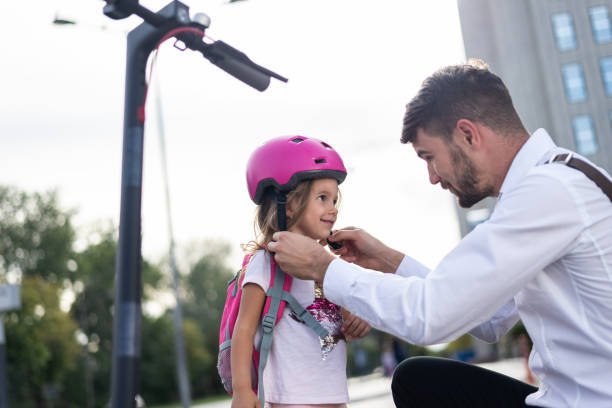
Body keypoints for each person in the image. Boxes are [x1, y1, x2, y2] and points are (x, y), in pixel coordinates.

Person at [267, 60, 612, 407]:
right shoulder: (550, 185)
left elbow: (431, 318)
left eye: (430, 157)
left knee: (418, 382)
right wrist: (387, 259)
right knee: (420, 379)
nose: (433, 177)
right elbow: (489, 319)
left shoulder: (549, 192)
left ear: (467, 134)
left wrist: (323, 267)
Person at [231, 136, 371, 408]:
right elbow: (244, 327)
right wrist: (241, 389)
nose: (333, 209)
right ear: (290, 204)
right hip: (290, 399)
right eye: (322, 198)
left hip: (333, 395)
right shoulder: (267, 261)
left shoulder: (328, 265)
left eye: (334, 199)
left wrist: (357, 321)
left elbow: (342, 324)